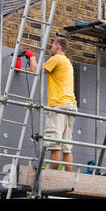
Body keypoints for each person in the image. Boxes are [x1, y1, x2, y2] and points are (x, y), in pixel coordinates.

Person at [22, 37, 78, 172]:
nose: (51, 48)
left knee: (54, 144)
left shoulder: (57, 58)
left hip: (58, 105)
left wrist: (31, 56)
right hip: (71, 105)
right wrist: (22, 68)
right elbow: (41, 71)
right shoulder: (67, 62)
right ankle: (68, 177)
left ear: (58, 47)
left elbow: (37, 70)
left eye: (53, 45)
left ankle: (52, 176)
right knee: (67, 147)